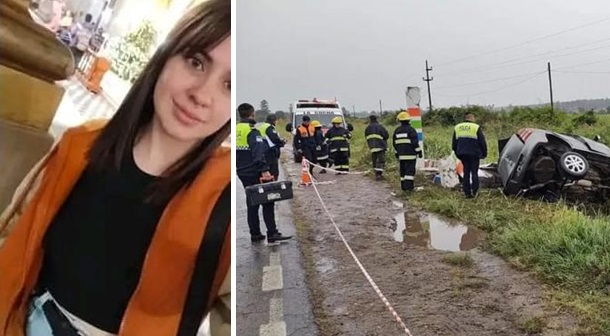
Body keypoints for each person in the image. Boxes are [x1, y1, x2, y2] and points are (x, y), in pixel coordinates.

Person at [0, 1, 232, 335]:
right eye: (196, 62)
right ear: (166, 56)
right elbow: (15, 239)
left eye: (228, 85)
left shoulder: (224, 197)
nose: (201, 95)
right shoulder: (79, 147)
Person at [236, 103, 292, 244]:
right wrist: (265, 170)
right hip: (255, 172)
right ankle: (272, 233)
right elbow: (258, 153)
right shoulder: (252, 131)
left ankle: (255, 234)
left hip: (242, 172)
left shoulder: (236, 129)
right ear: (252, 114)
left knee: (252, 202)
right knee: (268, 201)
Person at [452, 113, 487, 198]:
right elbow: (482, 142)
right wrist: (484, 153)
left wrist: (457, 153)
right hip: (474, 154)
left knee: (466, 173)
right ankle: (475, 192)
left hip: (463, 154)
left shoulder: (457, 127)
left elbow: (454, 143)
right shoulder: (476, 127)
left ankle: (467, 193)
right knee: (474, 173)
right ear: (472, 118)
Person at [393, 112, 422, 192]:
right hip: (411, 155)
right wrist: (419, 152)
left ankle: (404, 187)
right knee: (410, 172)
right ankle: (409, 188)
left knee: (403, 171)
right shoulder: (411, 130)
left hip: (401, 156)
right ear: (408, 120)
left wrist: (396, 153)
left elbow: (395, 144)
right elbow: (415, 143)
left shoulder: (397, 131)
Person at [258, 114, 285, 179]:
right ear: (273, 121)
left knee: (264, 173)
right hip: (270, 152)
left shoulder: (261, 126)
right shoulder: (269, 127)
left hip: (262, 151)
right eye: (275, 121)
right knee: (273, 173)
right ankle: (272, 186)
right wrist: (282, 143)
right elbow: (274, 139)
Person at [364, 114, 389, 180]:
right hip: (381, 146)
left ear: (370, 120)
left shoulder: (367, 128)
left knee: (374, 160)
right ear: (376, 119)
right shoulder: (380, 126)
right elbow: (386, 135)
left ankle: (376, 174)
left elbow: (366, 137)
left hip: (372, 147)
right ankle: (379, 175)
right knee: (380, 161)